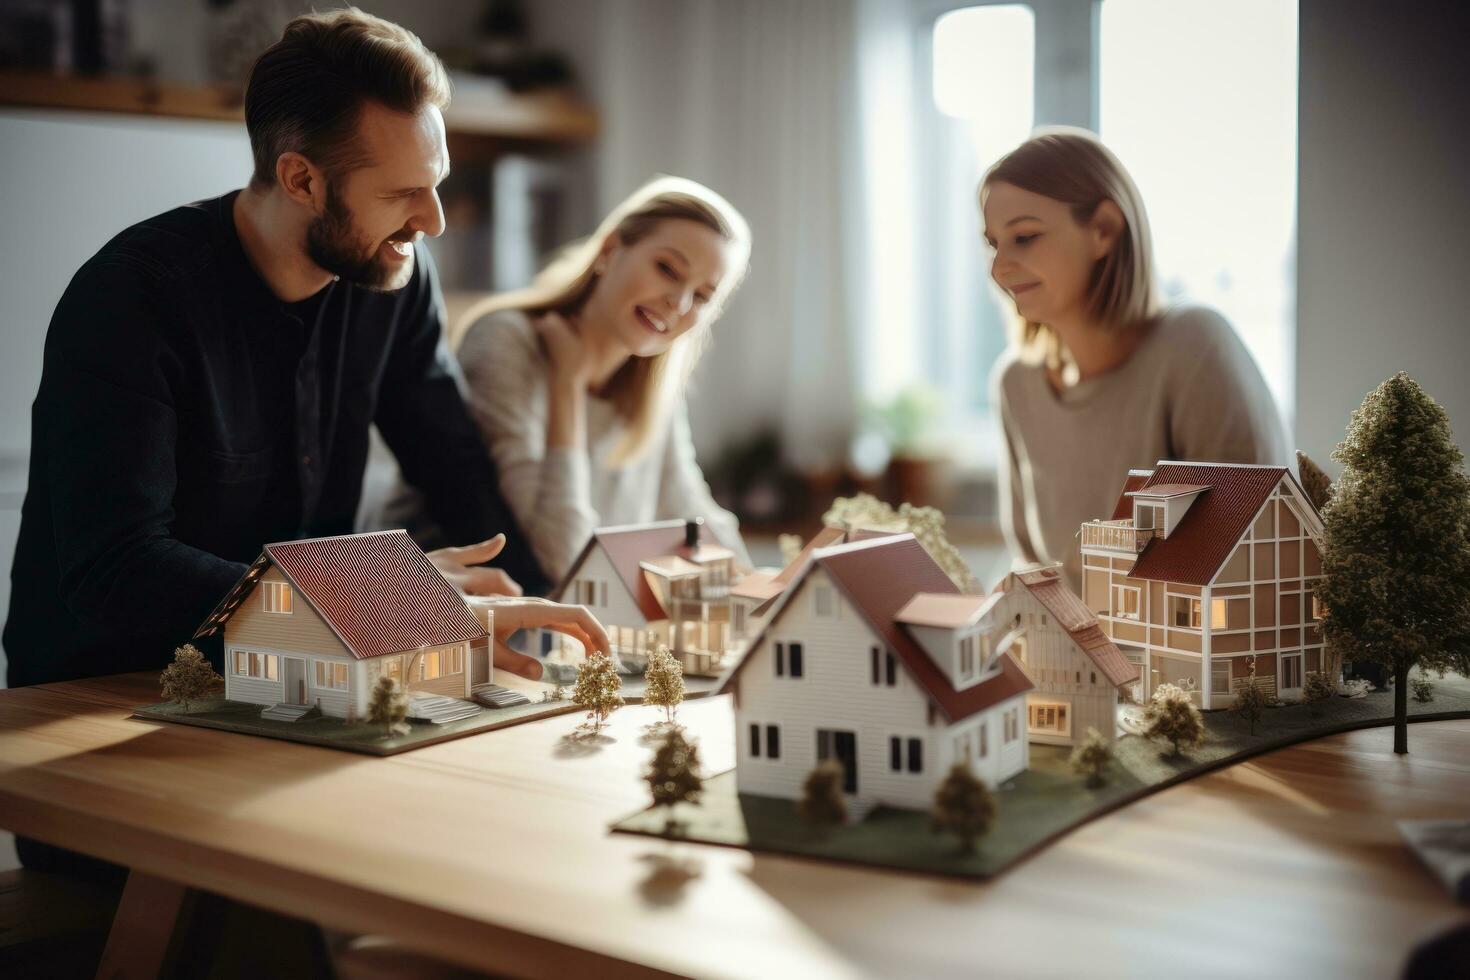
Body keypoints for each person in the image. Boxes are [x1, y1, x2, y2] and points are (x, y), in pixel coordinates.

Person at [4, 7, 608, 702]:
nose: (433, 221)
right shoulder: (133, 297)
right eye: (403, 192)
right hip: (102, 693)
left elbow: (456, 470)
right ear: (301, 180)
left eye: (436, 183)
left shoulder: (394, 277)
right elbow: (119, 567)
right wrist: (378, 604)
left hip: (292, 683)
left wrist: (544, 624)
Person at [372, 176, 752, 583]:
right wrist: (566, 386)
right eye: (667, 269)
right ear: (610, 249)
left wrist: (760, 586)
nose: (677, 303)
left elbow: (693, 509)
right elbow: (559, 559)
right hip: (429, 608)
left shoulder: (656, 388)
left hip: (560, 623)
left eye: (701, 297)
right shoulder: (506, 340)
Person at [982, 128, 1289, 591]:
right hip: (1072, 656)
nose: (999, 268)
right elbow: (1031, 566)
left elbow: (1257, 552)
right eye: (994, 243)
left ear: (1103, 229)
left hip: (1184, 657)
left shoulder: (1195, 347)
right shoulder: (1014, 383)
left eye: (1024, 237)